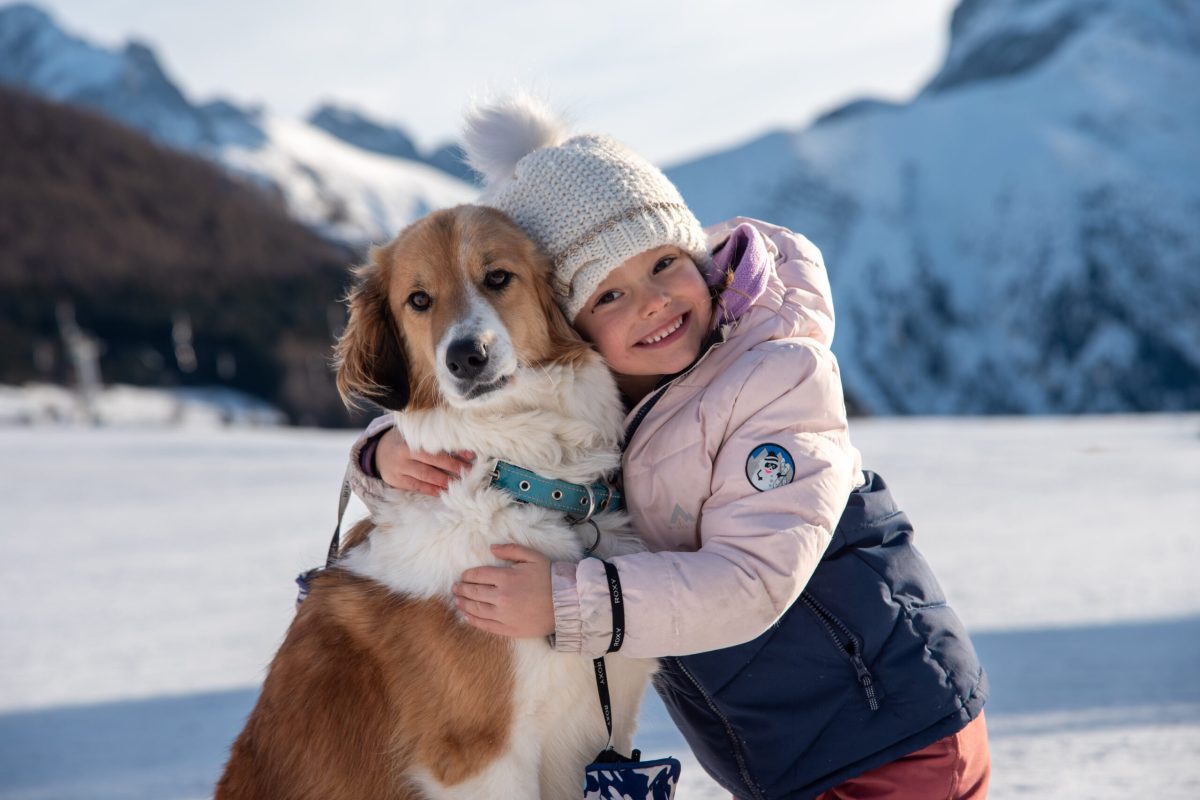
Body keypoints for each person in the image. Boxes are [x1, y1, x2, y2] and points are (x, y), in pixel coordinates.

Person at [345, 95, 989, 800]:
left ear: (702, 257)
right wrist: (383, 452)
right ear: (571, 326)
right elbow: (514, 433)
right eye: (608, 297)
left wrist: (567, 605)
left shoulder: (776, 376)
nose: (651, 302)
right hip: (786, 751)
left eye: (663, 264)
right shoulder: (619, 391)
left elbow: (753, 579)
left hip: (890, 732)